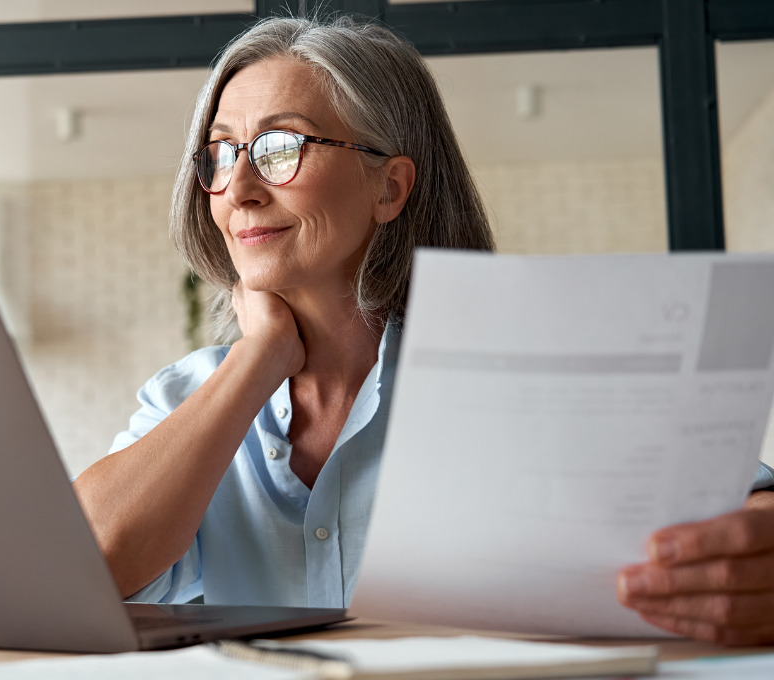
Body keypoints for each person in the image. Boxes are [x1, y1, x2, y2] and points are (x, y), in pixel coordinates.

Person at [72, 16, 774, 646]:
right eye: (220, 154)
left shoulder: (518, 367)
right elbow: (84, 567)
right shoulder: (184, 399)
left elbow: (740, 501)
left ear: (390, 187)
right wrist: (259, 358)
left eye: (280, 146)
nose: (242, 187)